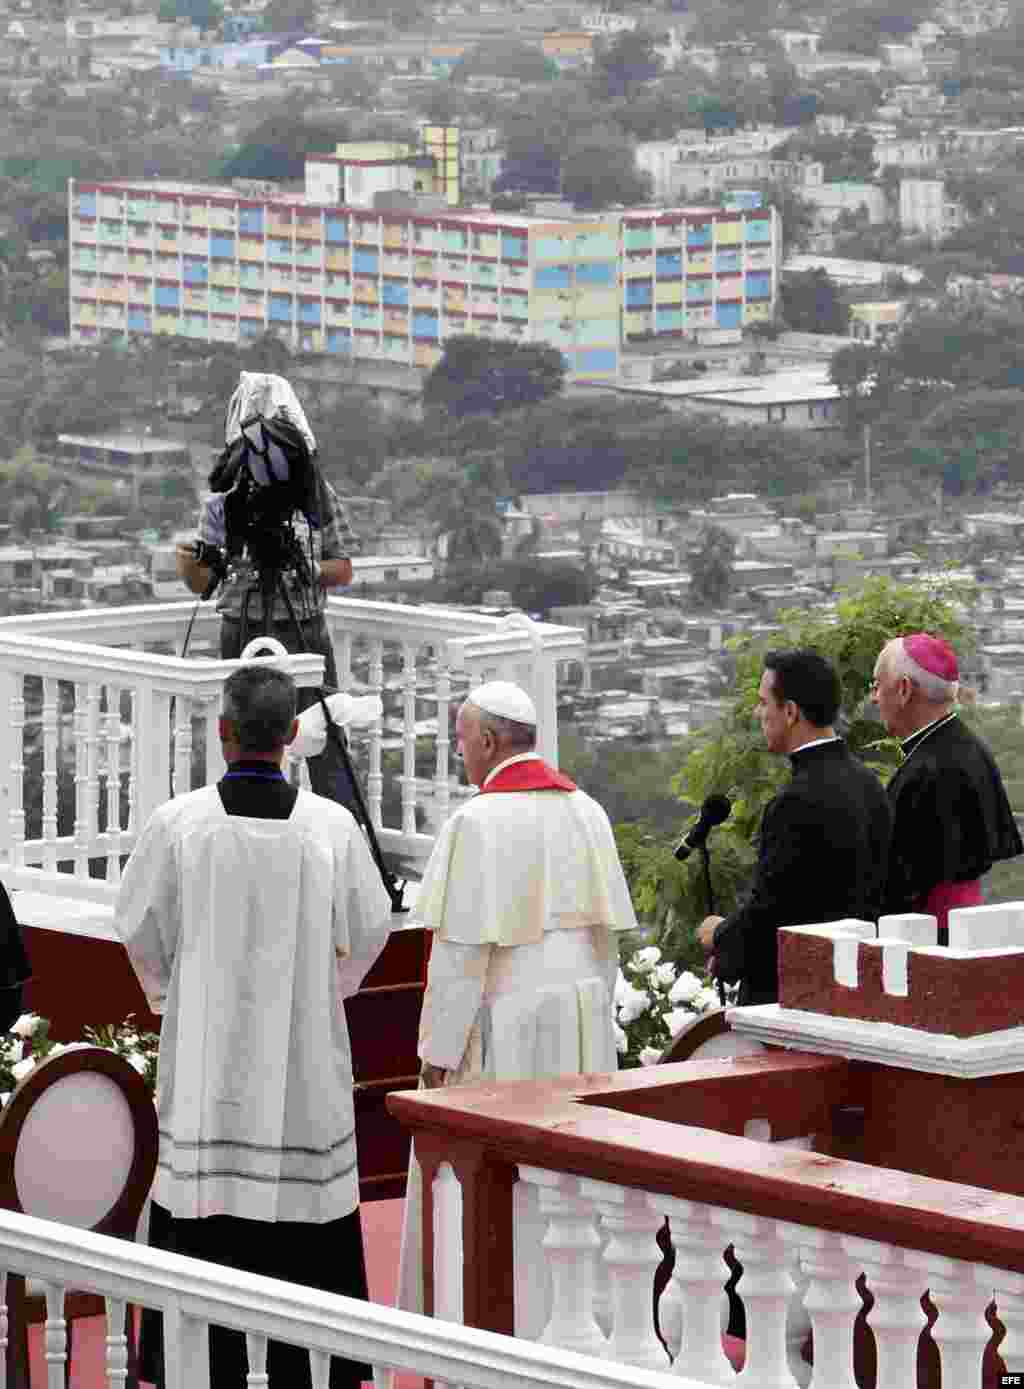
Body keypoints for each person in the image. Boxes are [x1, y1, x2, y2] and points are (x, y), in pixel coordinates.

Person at [116, 664, 394, 1389]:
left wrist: (183, 995)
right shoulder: (330, 828)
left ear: (223, 731)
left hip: (209, 1077)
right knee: (307, 1218)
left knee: (204, 1214)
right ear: (291, 735)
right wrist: (316, 992)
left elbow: (139, 928)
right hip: (304, 1076)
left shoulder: (179, 824)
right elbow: (370, 928)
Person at [395, 680, 637, 1317]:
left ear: (488, 740)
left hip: (508, 1027)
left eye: (461, 741)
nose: (460, 754)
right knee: (573, 1182)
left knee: (505, 1188)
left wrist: (436, 1054)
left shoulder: (477, 821)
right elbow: (606, 942)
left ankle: (502, 1318)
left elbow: (459, 956)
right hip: (582, 1027)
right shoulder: (588, 810)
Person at [175, 373, 360, 808]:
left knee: (324, 737)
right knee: (244, 737)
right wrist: (190, 563)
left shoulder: (313, 491)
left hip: (303, 631)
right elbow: (206, 584)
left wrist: (308, 568)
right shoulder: (225, 497)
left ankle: (347, 831)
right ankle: (245, 820)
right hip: (242, 629)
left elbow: (344, 568)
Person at [696, 649, 892, 1006]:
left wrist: (720, 935)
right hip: (857, 984)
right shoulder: (870, 785)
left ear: (790, 712)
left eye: (763, 703)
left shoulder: (794, 801)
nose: (758, 714)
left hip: (794, 997)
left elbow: (773, 911)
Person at [872, 632, 1022, 943]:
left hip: (929, 942)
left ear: (903, 689)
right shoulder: (970, 747)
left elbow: (896, 887)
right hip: (967, 932)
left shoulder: (926, 770)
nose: (874, 697)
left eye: (877, 685)